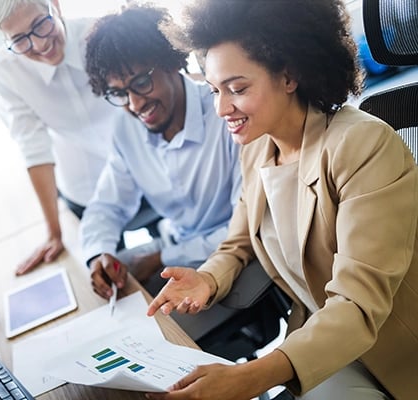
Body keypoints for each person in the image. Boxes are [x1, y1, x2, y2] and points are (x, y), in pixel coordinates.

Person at [146, 1, 418, 399]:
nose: (223, 108)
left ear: (289, 75)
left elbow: (358, 305)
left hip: (393, 350)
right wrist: (207, 277)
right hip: (322, 348)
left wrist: (249, 378)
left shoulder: (362, 145)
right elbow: (237, 245)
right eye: (215, 91)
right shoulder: (258, 148)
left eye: (237, 89)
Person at [0, 0, 158, 275]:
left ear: (55, 6)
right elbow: (33, 147)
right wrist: (54, 233)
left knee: (175, 255)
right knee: (111, 275)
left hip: (151, 169)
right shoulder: (5, 70)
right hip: (87, 189)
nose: (39, 45)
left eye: (40, 24)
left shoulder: (100, 34)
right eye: (19, 39)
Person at [80, 4, 241, 299]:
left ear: (171, 60)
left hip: (227, 259)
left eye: (141, 83)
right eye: (119, 93)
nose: (135, 104)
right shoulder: (125, 128)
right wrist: (98, 255)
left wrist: (163, 257)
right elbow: (106, 206)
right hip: (175, 245)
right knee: (97, 296)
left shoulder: (227, 114)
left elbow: (245, 228)